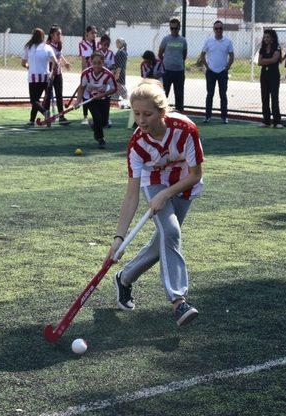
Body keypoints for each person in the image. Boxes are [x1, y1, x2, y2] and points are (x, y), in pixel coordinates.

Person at [109, 79, 204, 326]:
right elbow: (132, 195)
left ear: (163, 112)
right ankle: (178, 301)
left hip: (184, 181)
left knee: (164, 239)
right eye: (136, 113)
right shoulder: (137, 145)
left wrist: (167, 194)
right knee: (170, 231)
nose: (141, 121)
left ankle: (125, 277)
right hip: (154, 181)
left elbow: (196, 174)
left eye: (147, 114)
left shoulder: (186, 130)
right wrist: (118, 238)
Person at [76, 51, 116, 148]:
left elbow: (114, 88)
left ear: (103, 62)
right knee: (97, 117)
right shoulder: (86, 74)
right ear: (90, 62)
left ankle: (94, 126)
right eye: (94, 63)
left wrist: (102, 95)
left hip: (104, 98)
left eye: (99, 63)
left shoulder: (109, 75)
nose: (97, 66)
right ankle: (100, 139)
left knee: (104, 122)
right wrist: (77, 102)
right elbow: (81, 88)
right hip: (89, 98)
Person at [200, 20, 234, 124]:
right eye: (216, 28)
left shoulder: (228, 41)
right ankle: (207, 116)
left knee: (223, 95)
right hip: (211, 72)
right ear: (213, 29)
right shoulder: (208, 41)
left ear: (223, 29)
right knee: (210, 94)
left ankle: (224, 117)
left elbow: (232, 56)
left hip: (222, 72)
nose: (218, 30)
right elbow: (202, 55)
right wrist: (207, 67)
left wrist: (227, 68)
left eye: (220, 28)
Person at [21, 28, 57, 126]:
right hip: (46, 77)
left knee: (34, 100)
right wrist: (52, 73)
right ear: (43, 37)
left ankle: (44, 112)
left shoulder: (28, 47)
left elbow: (23, 63)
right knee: (45, 100)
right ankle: (33, 120)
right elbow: (55, 62)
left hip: (33, 77)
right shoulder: (47, 47)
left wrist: (29, 67)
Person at [158, 18, 187, 112]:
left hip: (179, 72)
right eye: (172, 28)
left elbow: (184, 55)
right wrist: (167, 62)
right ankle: (161, 113)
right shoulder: (165, 39)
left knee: (179, 94)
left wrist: (177, 62)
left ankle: (180, 114)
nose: (174, 30)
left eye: (175, 28)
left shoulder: (183, 40)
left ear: (179, 28)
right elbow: (160, 54)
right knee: (164, 93)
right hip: (167, 71)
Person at [46, 24, 72, 125]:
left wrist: (65, 63)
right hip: (49, 73)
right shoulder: (47, 46)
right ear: (52, 35)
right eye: (58, 34)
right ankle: (47, 116)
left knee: (59, 95)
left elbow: (60, 55)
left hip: (58, 73)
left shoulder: (58, 45)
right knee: (48, 96)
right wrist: (50, 73)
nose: (60, 36)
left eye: (60, 34)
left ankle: (61, 116)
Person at [258, 29, 282, 128]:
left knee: (274, 98)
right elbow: (259, 62)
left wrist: (265, 60)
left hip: (274, 75)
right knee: (265, 97)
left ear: (272, 38)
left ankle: (277, 122)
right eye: (265, 37)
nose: (266, 39)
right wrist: (268, 60)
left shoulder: (277, 47)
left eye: (268, 37)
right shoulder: (262, 48)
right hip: (264, 75)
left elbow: (275, 59)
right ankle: (266, 121)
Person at [78, 25, 97, 125]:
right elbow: (84, 61)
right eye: (93, 33)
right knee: (85, 94)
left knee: (96, 93)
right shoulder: (82, 44)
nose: (94, 35)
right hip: (88, 73)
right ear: (87, 34)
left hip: (96, 73)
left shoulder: (96, 44)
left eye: (95, 33)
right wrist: (84, 75)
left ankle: (96, 116)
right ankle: (85, 117)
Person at [114, 38, 128, 105]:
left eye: (118, 42)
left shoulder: (121, 52)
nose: (116, 44)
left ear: (121, 43)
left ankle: (128, 102)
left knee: (121, 89)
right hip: (120, 73)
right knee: (116, 90)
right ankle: (114, 102)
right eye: (116, 42)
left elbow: (119, 65)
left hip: (119, 74)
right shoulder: (122, 51)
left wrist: (117, 74)